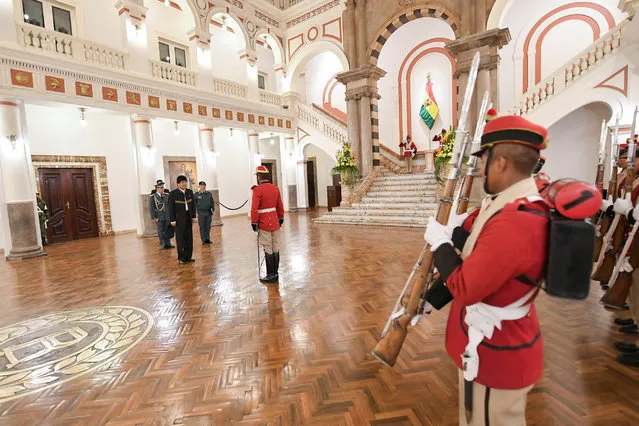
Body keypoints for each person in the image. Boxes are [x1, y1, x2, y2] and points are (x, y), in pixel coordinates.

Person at [422, 115, 549, 425]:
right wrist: (430, 299)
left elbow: (467, 285)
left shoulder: (517, 217)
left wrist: (440, 245)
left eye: (483, 160)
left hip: (497, 351)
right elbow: (475, 254)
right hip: (484, 341)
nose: (479, 169)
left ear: (501, 162)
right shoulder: (504, 204)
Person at [251, 165, 284, 283]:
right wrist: (281, 217)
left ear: (259, 177)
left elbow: (254, 209)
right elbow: (280, 205)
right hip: (275, 221)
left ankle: (270, 275)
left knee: (268, 247)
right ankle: (276, 273)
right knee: (276, 246)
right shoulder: (275, 188)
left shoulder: (257, 190)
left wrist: (254, 222)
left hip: (264, 222)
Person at [168, 175, 196, 264]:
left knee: (189, 238)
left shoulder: (189, 192)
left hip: (188, 217)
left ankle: (188, 256)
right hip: (178, 219)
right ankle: (181, 258)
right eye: (182, 182)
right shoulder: (173, 194)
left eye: (185, 182)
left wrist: (193, 216)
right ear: (178, 184)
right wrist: (172, 220)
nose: (184, 184)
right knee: (180, 239)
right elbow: (170, 208)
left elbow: (193, 205)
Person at [149, 181, 173, 249]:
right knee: (161, 231)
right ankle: (163, 244)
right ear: (157, 189)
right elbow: (151, 208)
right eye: (161, 188)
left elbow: (169, 206)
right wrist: (154, 217)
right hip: (159, 217)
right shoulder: (153, 197)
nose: (162, 189)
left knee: (167, 230)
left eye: (163, 188)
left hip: (167, 216)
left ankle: (168, 244)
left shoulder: (166, 195)